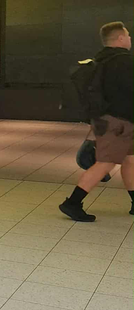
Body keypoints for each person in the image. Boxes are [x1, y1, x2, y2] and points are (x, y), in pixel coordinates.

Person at [59, 21, 134, 222]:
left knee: (131, 160)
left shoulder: (101, 61)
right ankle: (72, 203)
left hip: (110, 120)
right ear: (120, 38)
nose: (130, 39)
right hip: (120, 122)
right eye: (128, 35)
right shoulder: (124, 62)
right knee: (105, 163)